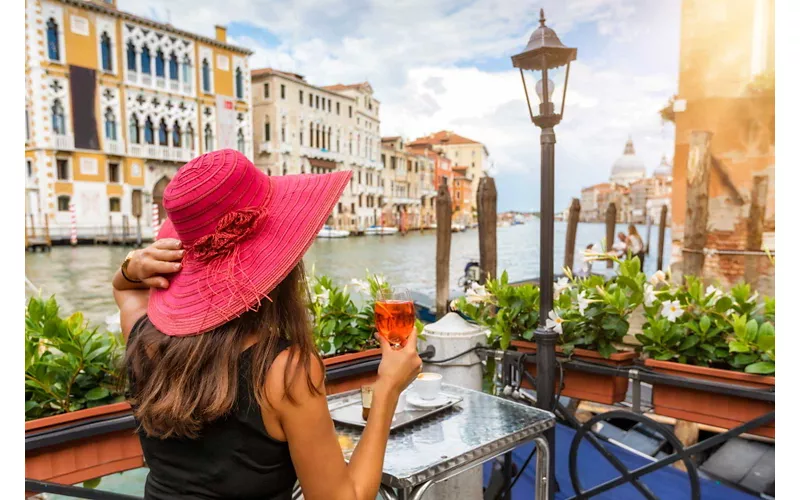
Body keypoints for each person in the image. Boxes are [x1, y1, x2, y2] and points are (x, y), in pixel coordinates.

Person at [113, 149, 422, 500]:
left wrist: (131, 267)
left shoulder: (144, 339)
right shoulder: (286, 370)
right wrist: (387, 389)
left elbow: (126, 293)